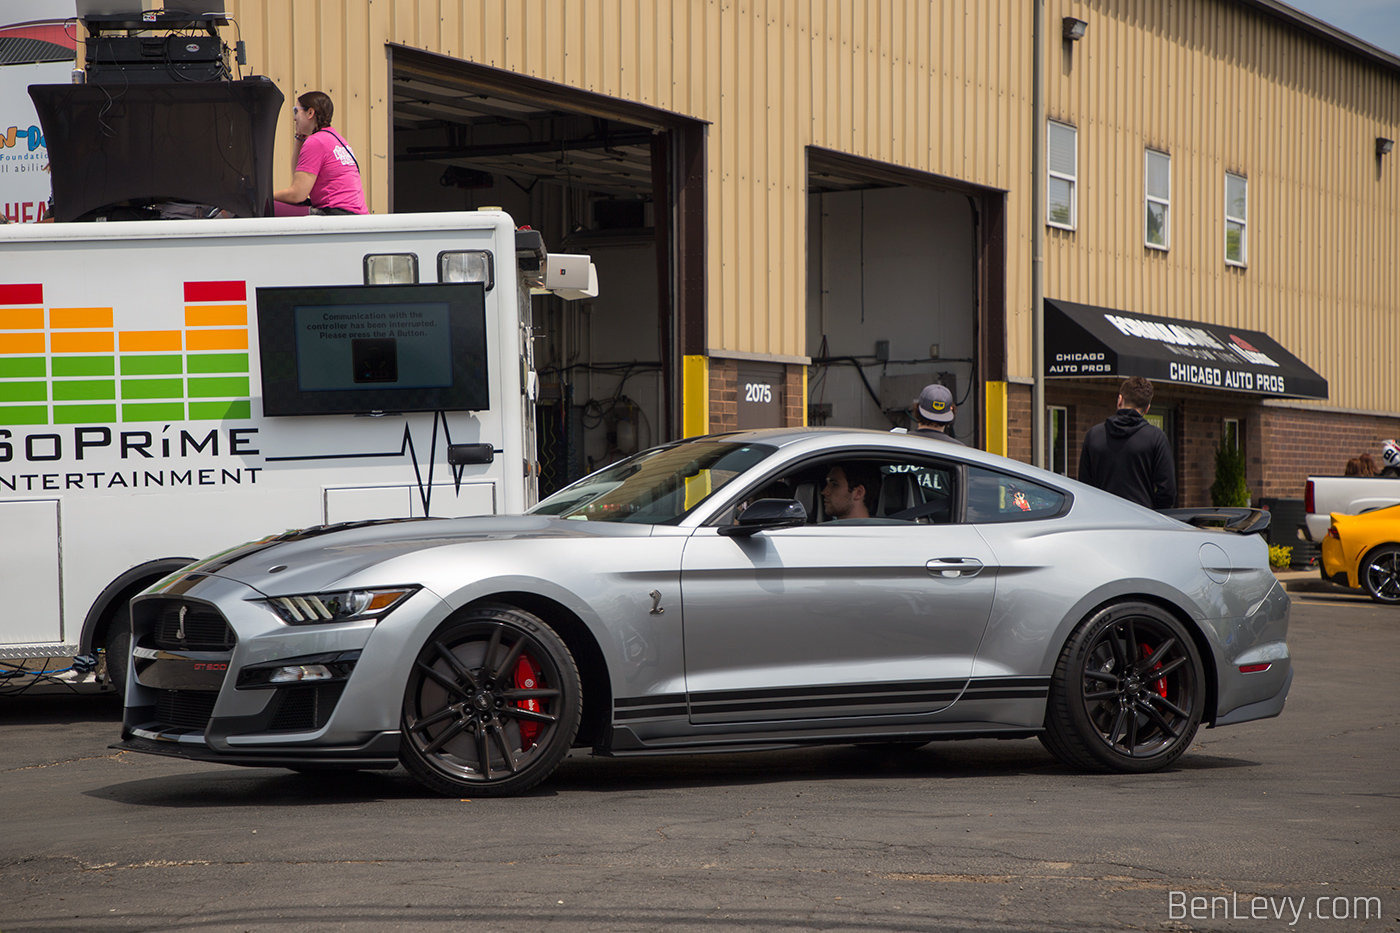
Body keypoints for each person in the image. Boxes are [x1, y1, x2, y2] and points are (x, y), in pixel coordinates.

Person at [1077, 376, 1176, 509]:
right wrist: (1151, 512)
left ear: (1120, 400)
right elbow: (1168, 492)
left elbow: (1084, 487)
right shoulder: (1156, 438)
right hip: (1141, 522)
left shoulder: (1094, 435)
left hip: (1102, 520)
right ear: (1147, 409)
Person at [273, 91, 367, 215]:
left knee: (265, 206)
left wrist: (266, 196)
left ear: (310, 113)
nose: (294, 118)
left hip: (336, 213)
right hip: (356, 215)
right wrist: (300, 138)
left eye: (297, 111)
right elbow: (299, 173)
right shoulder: (336, 139)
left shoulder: (316, 142)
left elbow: (298, 194)